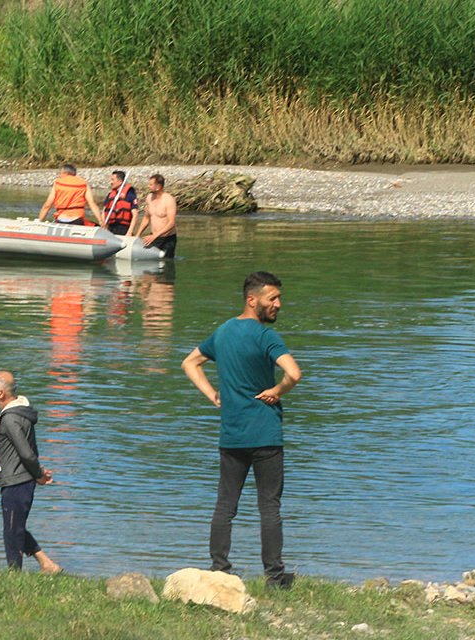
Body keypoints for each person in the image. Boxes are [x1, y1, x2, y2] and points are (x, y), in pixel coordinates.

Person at [181, 271, 302, 587]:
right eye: (272, 298)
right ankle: (275, 577)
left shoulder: (222, 333)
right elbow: (294, 374)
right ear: (252, 300)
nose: (278, 305)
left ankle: (219, 570)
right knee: (269, 507)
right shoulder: (266, 337)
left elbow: (189, 363)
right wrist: (278, 390)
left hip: (232, 435)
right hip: (265, 434)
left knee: (225, 505)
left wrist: (212, 395)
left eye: (279, 298)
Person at [0, 370, 61, 573]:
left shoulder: (10, 419)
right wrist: (37, 473)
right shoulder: (21, 413)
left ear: (1, 394)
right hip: (20, 480)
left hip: (17, 482)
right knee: (15, 527)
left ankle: (14, 576)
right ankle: (47, 564)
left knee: (12, 531)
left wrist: (38, 475)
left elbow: (26, 453)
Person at [37, 164, 105, 227]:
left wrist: (40, 221)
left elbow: (47, 205)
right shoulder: (84, 184)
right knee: (94, 225)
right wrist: (101, 221)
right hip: (78, 219)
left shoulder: (58, 183)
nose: (59, 175)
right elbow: (92, 204)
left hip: (61, 219)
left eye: (60, 173)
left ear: (65, 173)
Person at [133, 174, 177, 258]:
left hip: (167, 239)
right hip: (153, 237)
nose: (148, 186)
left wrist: (154, 236)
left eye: (151, 184)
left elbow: (171, 223)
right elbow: (146, 218)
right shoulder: (149, 198)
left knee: (166, 263)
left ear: (158, 186)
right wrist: (137, 235)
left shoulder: (169, 200)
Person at [101, 170, 138, 236]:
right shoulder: (110, 194)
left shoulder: (130, 194)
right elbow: (104, 211)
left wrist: (129, 232)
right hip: (110, 227)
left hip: (123, 228)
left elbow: (135, 214)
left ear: (120, 181)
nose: (111, 182)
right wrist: (104, 225)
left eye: (113, 180)